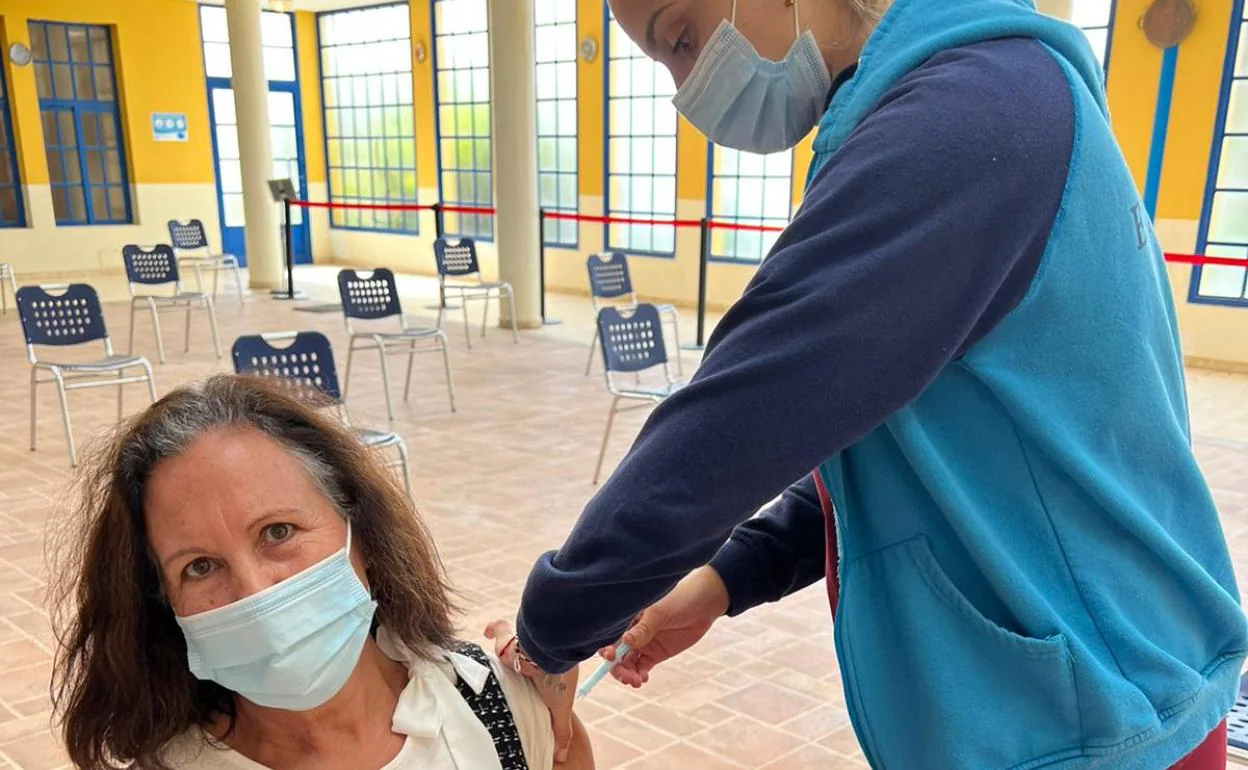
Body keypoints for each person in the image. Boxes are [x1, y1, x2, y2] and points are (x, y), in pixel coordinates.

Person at [505, 0, 1248, 768]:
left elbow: (742, 416)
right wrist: (730, 576)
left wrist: (549, 632)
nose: (688, 88)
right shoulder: (987, 94)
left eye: (683, 39)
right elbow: (914, 448)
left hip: (1097, 724)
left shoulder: (966, 117)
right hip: (1099, 693)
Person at [50, 375, 593, 770]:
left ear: (363, 535)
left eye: (278, 532)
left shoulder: (507, 710)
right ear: (163, 603)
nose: (256, 593)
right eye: (199, 567)